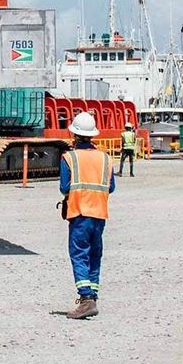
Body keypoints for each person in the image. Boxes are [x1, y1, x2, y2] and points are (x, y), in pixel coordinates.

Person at [59, 111, 115, 319]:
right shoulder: (105, 158)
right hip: (99, 214)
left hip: (79, 212)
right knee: (94, 255)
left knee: (79, 254)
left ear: (74, 135)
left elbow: (65, 187)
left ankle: (85, 298)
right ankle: (93, 295)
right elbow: (110, 187)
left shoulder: (69, 157)